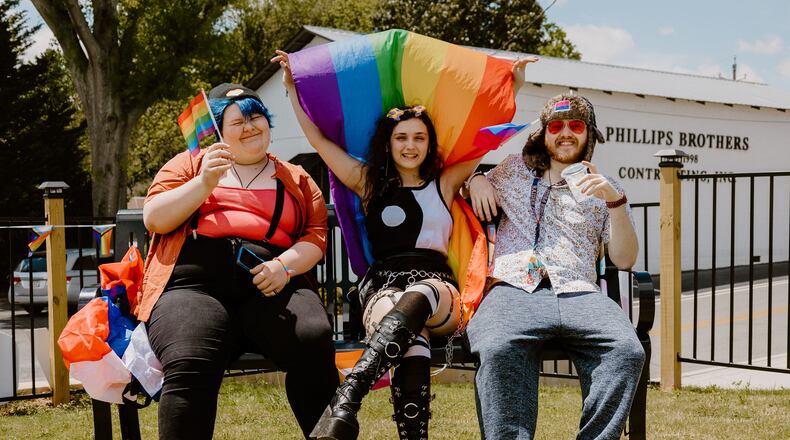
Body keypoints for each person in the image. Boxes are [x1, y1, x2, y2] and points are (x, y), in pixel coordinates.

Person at [272, 50, 536, 440]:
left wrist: (512, 85)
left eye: (419, 137)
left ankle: (347, 398)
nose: (410, 145)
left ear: (430, 143)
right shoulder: (368, 182)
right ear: (389, 142)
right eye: (402, 137)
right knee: (411, 342)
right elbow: (319, 139)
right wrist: (294, 90)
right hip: (383, 285)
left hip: (438, 289)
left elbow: (486, 141)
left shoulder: (444, 183)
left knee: (421, 292)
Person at [137, 83, 339, 439]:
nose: (250, 127)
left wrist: (284, 265)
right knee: (189, 361)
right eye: (238, 121)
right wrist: (204, 182)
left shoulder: (296, 178)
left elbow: (316, 236)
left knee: (314, 339)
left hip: (271, 287)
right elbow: (155, 218)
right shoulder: (189, 165)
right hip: (194, 291)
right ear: (218, 130)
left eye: (256, 116)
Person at [465, 94, 645, 440]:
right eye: (556, 126)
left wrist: (615, 202)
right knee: (498, 346)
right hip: (513, 287)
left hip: (579, 291)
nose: (565, 133)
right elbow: (457, 179)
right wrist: (475, 179)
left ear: (588, 134)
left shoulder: (607, 188)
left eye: (575, 126)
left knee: (626, 350)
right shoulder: (512, 169)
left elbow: (624, 260)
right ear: (544, 134)